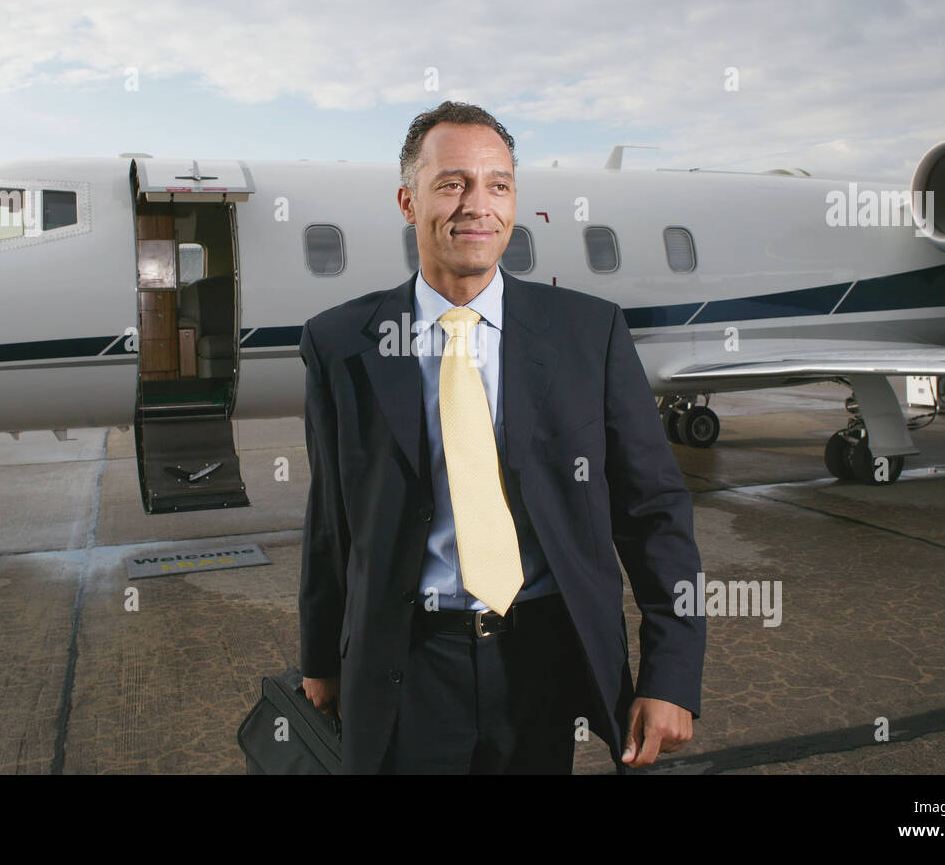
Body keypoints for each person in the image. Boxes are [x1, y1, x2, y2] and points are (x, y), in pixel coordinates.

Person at [298, 101, 705, 774]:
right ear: (408, 199)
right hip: (409, 662)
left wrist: (672, 671)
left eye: (498, 184)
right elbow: (330, 521)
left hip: (542, 657)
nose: (477, 205)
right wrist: (320, 655)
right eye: (452, 183)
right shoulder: (342, 344)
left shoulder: (589, 334)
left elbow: (655, 511)